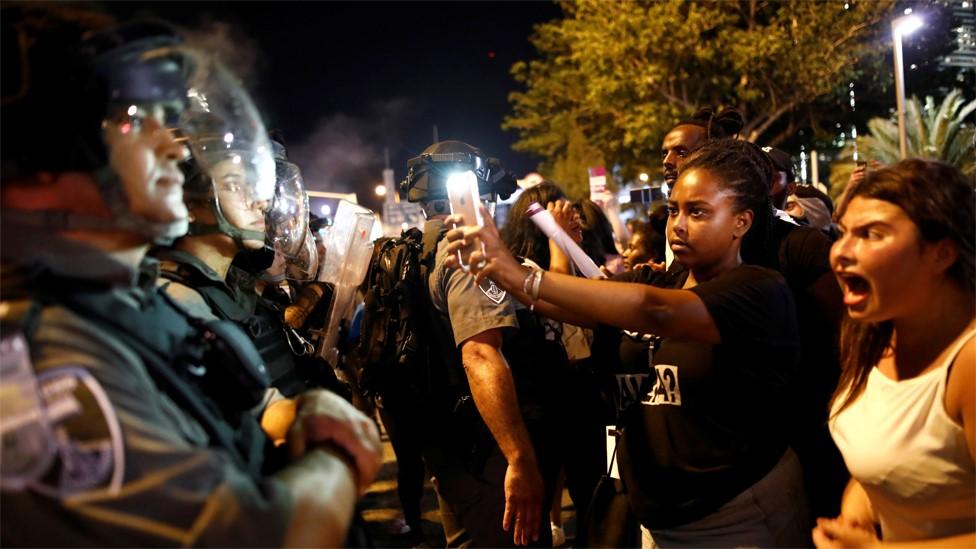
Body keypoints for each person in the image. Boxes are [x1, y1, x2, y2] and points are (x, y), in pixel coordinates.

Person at [0, 9, 380, 546]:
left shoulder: (126, 305)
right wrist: (338, 457)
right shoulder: (39, 361)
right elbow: (259, 536)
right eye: (132, 122)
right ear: (35, 154)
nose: (175, 149)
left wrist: (308, 408)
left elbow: (251, 405)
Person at [446, 138, 810, 547]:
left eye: (698, 212)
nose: (679, 225)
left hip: (739, 516)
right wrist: (496, 267)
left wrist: (521, 276)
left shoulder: (759, 289)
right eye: (674, 210)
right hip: (659, 520)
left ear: (742, 222)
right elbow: (569, 302)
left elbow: (655, 311)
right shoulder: (657, 279)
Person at [399, 140, 557, 547]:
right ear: (475, 195)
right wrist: (519, 460)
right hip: (486, 447)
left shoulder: (414, 249)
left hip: (447, 443)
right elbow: (480, 354)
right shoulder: (467, 252)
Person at [813, 159, 975, 548]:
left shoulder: (968, 363)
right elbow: (892, 462)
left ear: (942, 253)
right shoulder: (872, 332)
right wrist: (857, 508)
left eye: (871, 234)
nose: (840, 253)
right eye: (842, 232)